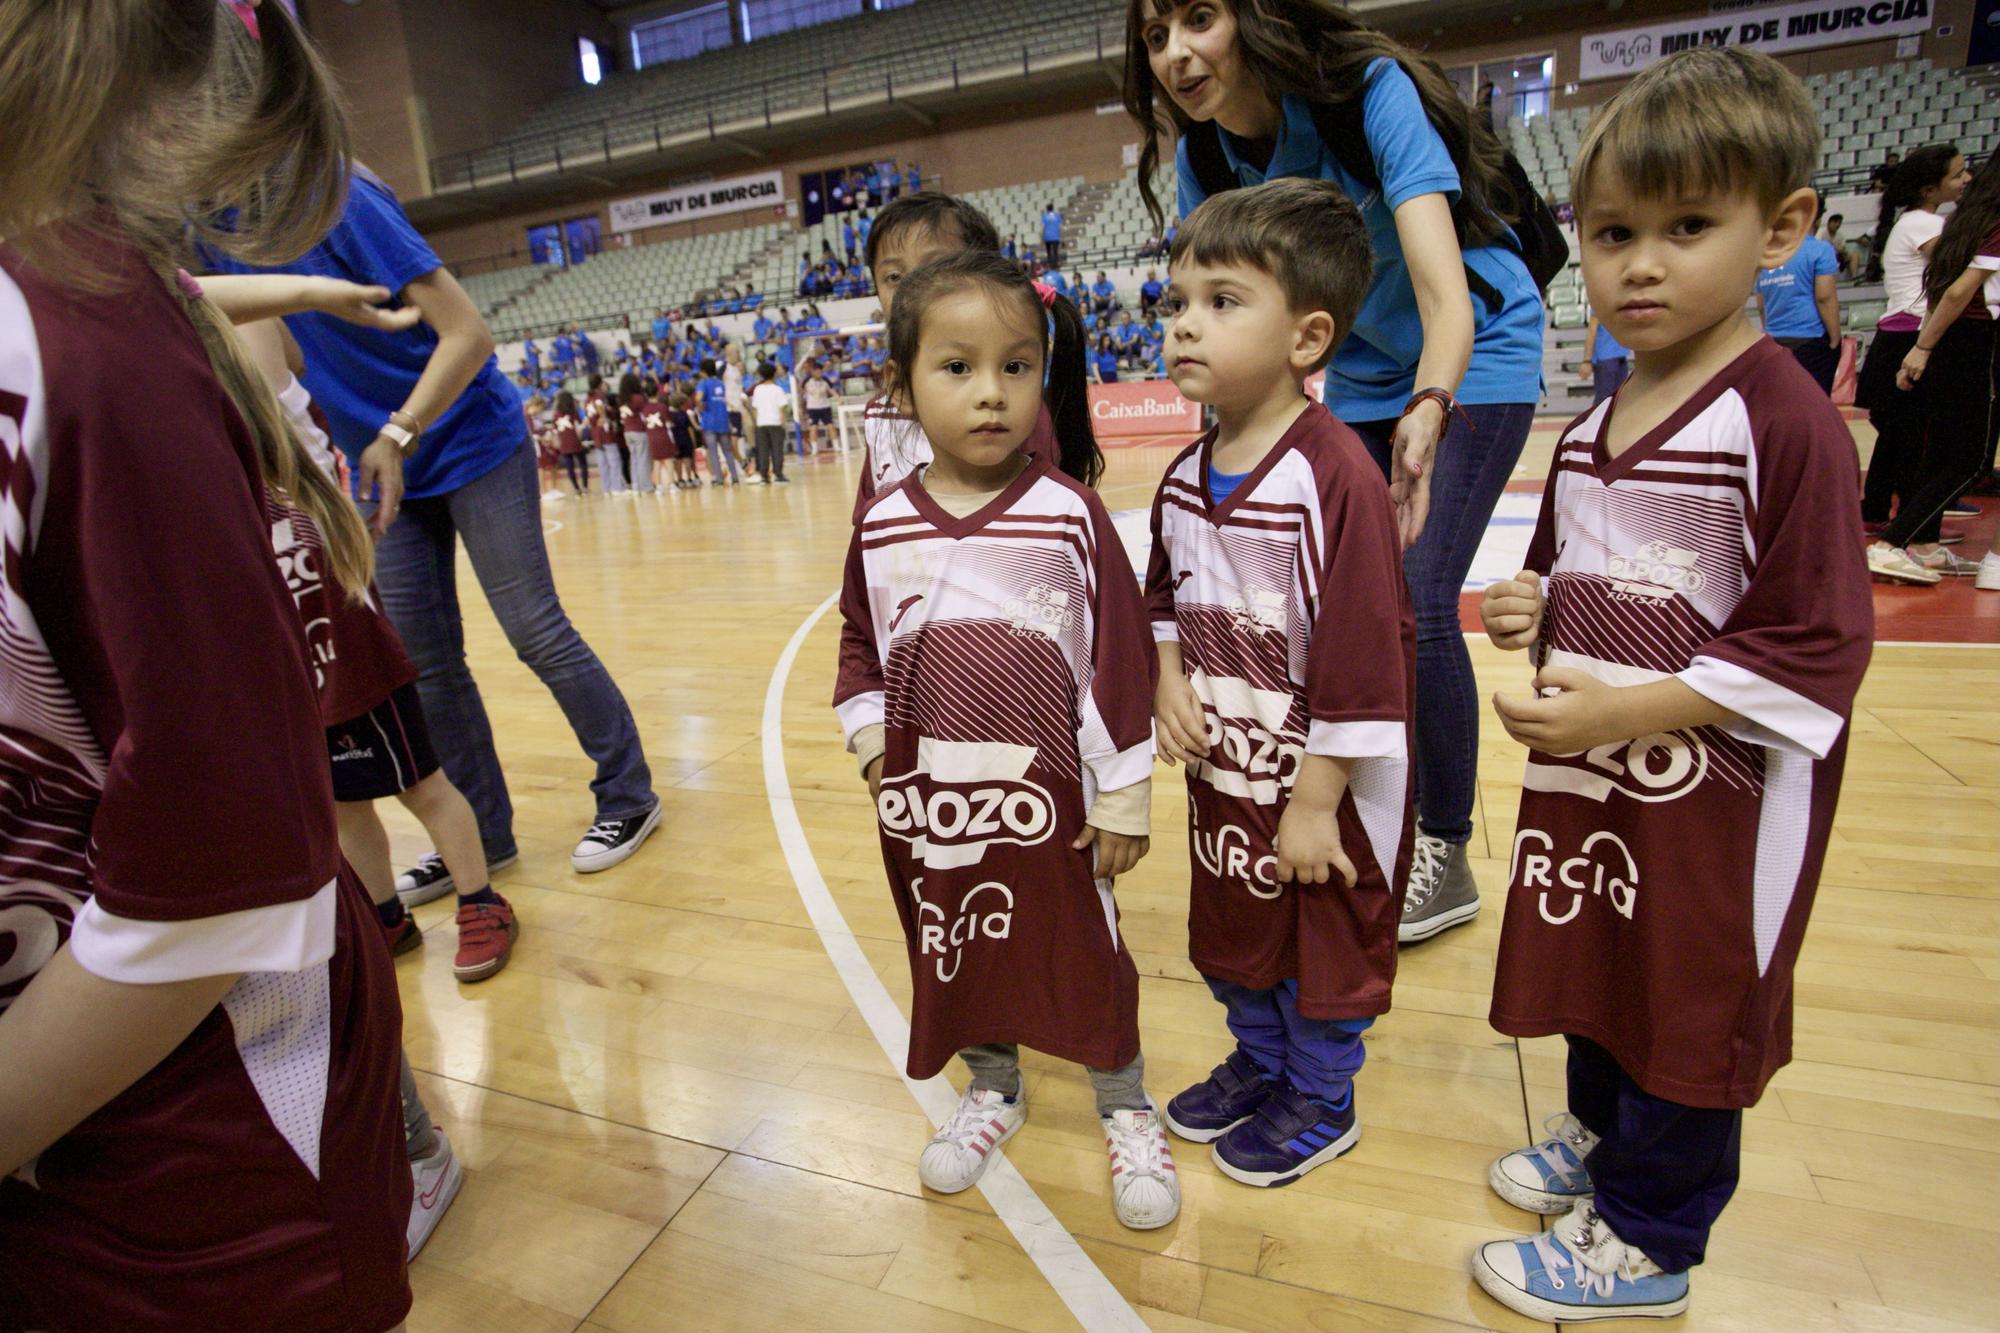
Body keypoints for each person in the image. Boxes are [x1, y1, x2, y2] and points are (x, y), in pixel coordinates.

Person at [0, 3, 411, 1328]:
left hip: (187, 1170)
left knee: (414, 790)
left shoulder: (93, 349)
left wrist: (392, 417)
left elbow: (222, 875)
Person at [1468, 49, 1874, 1322]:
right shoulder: (1592, 419)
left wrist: (1629, 710)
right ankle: (1604, 1140)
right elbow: (1559, 574)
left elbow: (1815, 640)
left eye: (1686, 227)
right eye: (1611, 234)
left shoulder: (1782, 418)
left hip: (1718, 798)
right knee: (1596, 953)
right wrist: (1526, 610)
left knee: (1692, 993)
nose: (1639, 265)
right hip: (1594, 775)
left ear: (1782, 230)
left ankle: (1651, 1232)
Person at [1130, 0, 1545, 942]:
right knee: (1346, 600)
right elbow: (1229, 320)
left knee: (1420, 592)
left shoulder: (1368, 92)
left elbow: (1447, 296)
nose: (1178, 53)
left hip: (1471, 350)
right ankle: (1357, 806)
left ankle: (1443, 848)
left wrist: (1431, 410)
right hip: (1355, 372)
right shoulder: (1204, 156)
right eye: (1156, 37)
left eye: (1199, 17)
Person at [833, 249, 1179, 1232]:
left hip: (1053, 803)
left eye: (1015, 367)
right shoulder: (880, 525)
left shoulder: (1067, 513)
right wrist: (869, 745)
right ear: (901, 388)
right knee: (956, 945)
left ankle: (1124, 1102)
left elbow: (1117, 656)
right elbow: (860, 646)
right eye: (957, 368)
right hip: (930, 800)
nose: (990, 393)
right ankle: (992, 1086)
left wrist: (1121, 795)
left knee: (1083, 948)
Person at [206, 167, 662, 879]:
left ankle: (629, 792)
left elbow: (469, 334)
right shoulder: (210, 229)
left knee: (533, 628)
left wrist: (398, 430)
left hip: (466, 435)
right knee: (429, 668)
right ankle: (481, 838)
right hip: (376, 462)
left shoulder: (338, 197)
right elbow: (271, 352)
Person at [1143, 179, 1413, 1188]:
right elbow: (1159, 596)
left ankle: (1322, 1093)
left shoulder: (1333, 475)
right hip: (1225, 777)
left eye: (1219, 302)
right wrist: (1165, 677)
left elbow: (1362, 651)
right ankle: (1261, 1064)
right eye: (1175, 302)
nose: (1182, 326)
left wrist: (1314, 800)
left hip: (1318, 787)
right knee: (1231, 931)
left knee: (1322, 945)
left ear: (1306, 338)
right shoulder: (1180, 475)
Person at [852, 192, 1060, 521]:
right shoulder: (878, 413)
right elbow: (867, 521)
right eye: (894, 277)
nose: (911, 288)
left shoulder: (1012, 411)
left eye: (935, 268)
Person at [1874, 152, 2000, 581]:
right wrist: (1921, 348)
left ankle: (1922, 542)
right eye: (1956, 172)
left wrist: (1927, 345)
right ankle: (1892, 542)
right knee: (1971, 458)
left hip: (1953, 340)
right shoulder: (1987, 223)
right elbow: (1957, 291)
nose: (1963, 178)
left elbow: (1942, 288)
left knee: (1941, 451)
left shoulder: (1967, 219)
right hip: (1975, 344)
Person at [1857, 145, 1971, 584]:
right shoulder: (1924, 223)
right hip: (1910, 335)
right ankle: (1915, 529)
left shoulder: (1913, 221)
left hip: (1898, 334)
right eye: (1958, 174)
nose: (1965, 180)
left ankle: (1889, 515)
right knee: (1918, 438)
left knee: (1901, 435)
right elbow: (1962, 267)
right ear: (1930, 187)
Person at [1756, 227, 1842, 393]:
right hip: (1810, 338)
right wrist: (1835, 339)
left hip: (1774, 340)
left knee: (1781, 401)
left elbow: (1761, 305)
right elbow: (1824, 298)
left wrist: (1771, 330)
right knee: (1814, 402)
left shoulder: (1766, 254)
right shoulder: (1820, 249)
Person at [697, 358, 742, 484]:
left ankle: (718, 478)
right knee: (727, 450)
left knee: (713, 452)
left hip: (710, 422)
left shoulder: (703, 383)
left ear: (702, 371)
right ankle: (734, 476)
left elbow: (699, 397)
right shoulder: (720, 383)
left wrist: (700, 405)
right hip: (722, 420)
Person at [749, 361, 792, 484]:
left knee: (763, 451)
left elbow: (755, 408)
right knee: (777, 450)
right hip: (775, 423)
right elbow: (781, 409)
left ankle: (764, 476)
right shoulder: (778, 389)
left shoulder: (757, 389)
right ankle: (778, 474)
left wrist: (757, 422)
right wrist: (783, 424)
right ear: (774, 374)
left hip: (761, 424)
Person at [1583, 306, 1632, 405]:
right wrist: (1587, 361)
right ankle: (1598, 420)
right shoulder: (1601, 303)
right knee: (1603, 401)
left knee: (1619, 399)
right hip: (1606, 358)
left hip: (1620, 355)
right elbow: (1592, 331)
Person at [619, 371, 654, 495]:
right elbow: (646, 413)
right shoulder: (638, 398)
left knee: (633, 459)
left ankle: (636, 485)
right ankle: (646, 486)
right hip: (639, 430)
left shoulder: (622, 398)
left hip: (627, 431)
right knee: (643, 459)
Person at [553, 389, 590, 493]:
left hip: (564, 443)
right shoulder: (573, 413)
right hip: (574, 441)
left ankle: (576, 488)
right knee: (583, 463)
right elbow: (580, 424)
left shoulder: (556, 415)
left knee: (570, 466)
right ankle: (585, 486)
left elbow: (555, 429)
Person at [803, 357, 838, 452]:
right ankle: (814, 449)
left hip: (825, 406)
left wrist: (838, 399)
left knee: (830, 426)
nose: (819, 374)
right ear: (812, 372)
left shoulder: (825, 380)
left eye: (820, 372)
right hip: (813, 408)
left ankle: (836, 446)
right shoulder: (807, 382)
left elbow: (831, 391)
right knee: (813, 427)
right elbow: (805, 393)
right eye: (817, 372)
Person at [1042, 199, 1065, 266]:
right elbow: (1061, 227)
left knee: (1049, 252)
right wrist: (1063, 238)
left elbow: (1042, 228)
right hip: (1056, 237)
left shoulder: (1044, 216)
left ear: (1047, 209)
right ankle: (1055, 266)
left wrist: (1041, 238)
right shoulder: (1057, 215)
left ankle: (1050, 265)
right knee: (1055, 252)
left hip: (1047, 237)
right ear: (1053, 208)